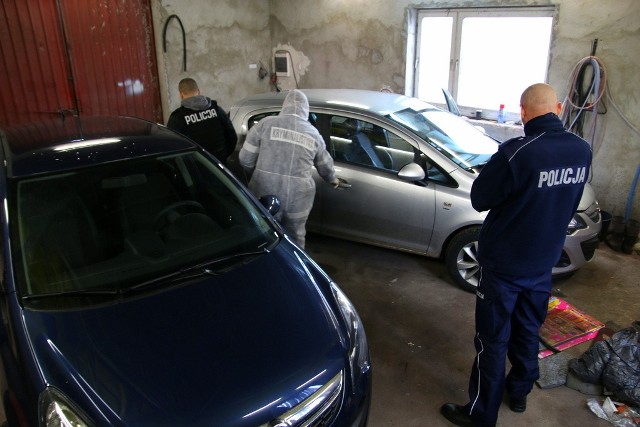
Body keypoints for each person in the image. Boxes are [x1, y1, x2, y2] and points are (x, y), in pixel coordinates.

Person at [440, 83, 592, 427]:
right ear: (556, 107)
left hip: (505, 265)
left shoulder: (516, 152)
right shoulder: (581, 149)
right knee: (527, 329)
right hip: (543, 263)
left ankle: (481, 414)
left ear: (523, 113)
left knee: (492, 340)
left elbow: (480, 198)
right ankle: (519, 392)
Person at [239, 89, 341, 248]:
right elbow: (325, 167)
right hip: (298, 199)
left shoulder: (265, 125)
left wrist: (257, 174)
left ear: (284, 106)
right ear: (305, 110)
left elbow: (245, 159)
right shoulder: (313, 134)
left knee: (263, 233)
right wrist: (333, 179)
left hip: (265, 194)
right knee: (296, 238)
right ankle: (295, 268)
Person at [167, 78, 237, 165]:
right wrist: (222, 157)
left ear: (181, 95)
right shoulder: (216, 110)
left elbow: (171, 148)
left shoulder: (177, 118)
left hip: (195, 170)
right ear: (199, 91)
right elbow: (232, 136)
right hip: (220, 169)